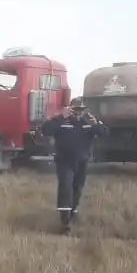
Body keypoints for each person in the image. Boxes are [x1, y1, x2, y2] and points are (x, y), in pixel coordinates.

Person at [41, 96, 105, 234]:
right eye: (75, 109)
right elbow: (45, 130)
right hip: (64, 161)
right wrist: (60, 117)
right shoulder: (61, 121)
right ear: (69, 109)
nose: (78, 112)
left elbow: (103, 133)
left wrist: (96, 125)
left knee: (78, 188)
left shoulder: (88, 122)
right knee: (65, 186)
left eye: (81, 109)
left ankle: (73, 213)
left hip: (82, 161)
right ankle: (65, 222)